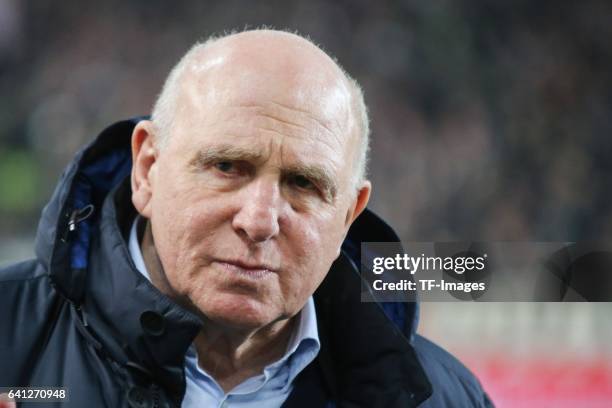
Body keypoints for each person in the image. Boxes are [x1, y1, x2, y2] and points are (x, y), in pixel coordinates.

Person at [0, 29, 493, 407]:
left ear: (347, 216)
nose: (259, 222)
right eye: (227, 166)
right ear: (147, 170)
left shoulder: (444, 397)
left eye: (303, 184)